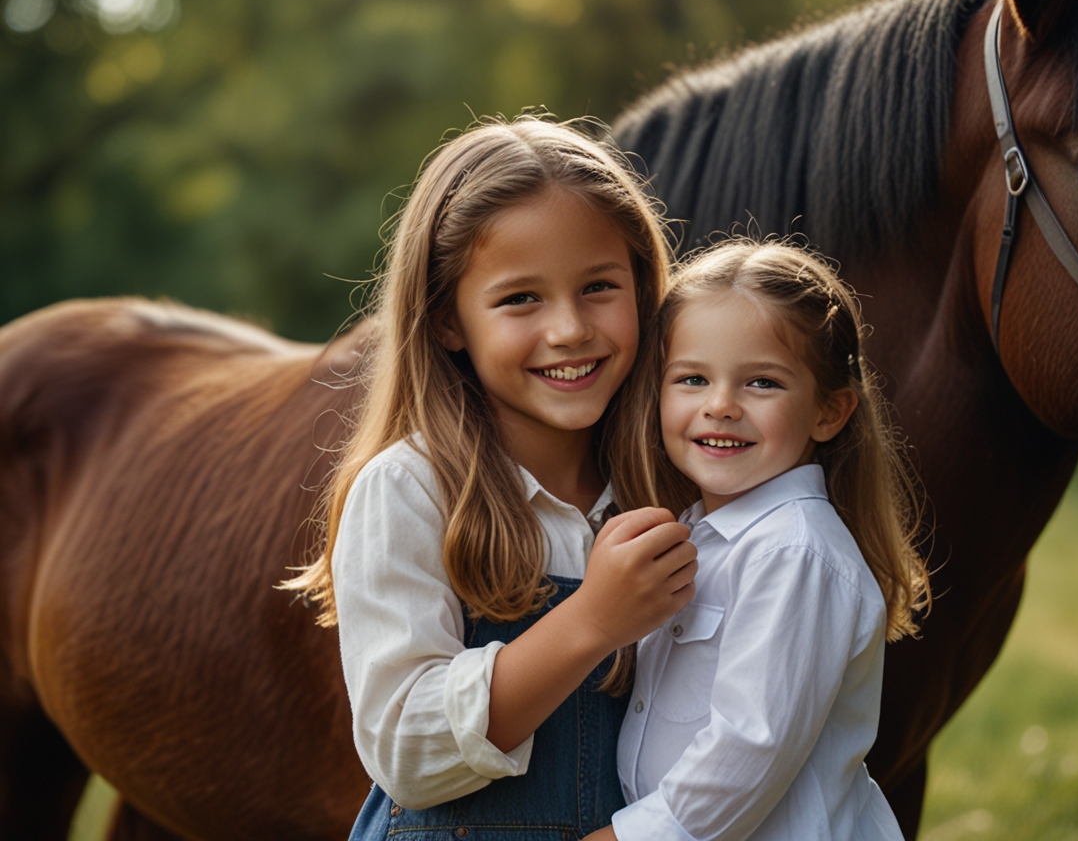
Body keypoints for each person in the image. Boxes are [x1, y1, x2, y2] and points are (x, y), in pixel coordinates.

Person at [284, 115, 698, 840]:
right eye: (520, 299)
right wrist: (594, 620)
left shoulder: (673, 486)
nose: (570, 329)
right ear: (448, 321)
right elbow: (406, 751)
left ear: (642, 288)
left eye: (599, 286)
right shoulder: (409, 492)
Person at [585, 238, 932, 841]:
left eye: (762, 383)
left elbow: (751, 746)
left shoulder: (793, 552)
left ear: (829, 412)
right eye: (693, 378)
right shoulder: (698, 534)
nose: (721, 406)